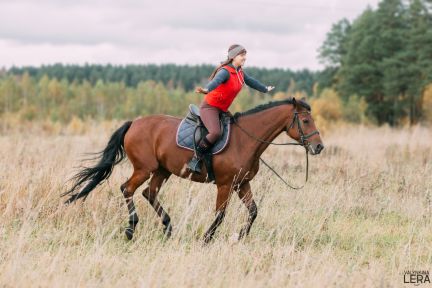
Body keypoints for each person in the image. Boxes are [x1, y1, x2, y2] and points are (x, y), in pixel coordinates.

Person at [187, 44, 275, 174]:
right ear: (233, 56)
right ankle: (196, 159)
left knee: (236, 129)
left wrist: (264, 89)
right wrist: (206, 89)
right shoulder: (225, 71)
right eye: (242, 55)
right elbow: (215, 82)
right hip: (210, 108)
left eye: (245, 55)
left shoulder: (240, 72)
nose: (244, 58)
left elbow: (251, 81)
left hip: (222, 109)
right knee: (215, 132)